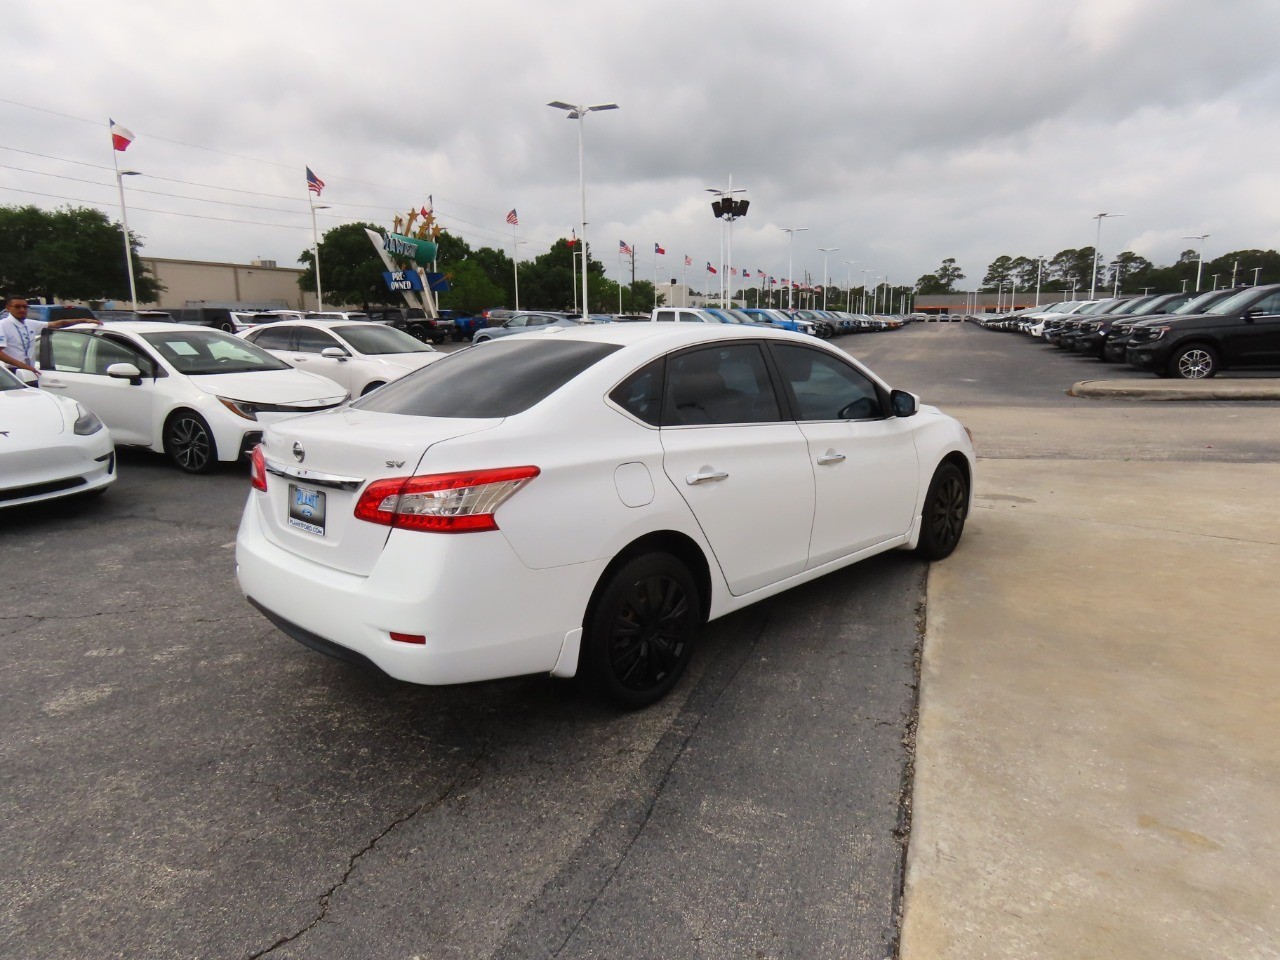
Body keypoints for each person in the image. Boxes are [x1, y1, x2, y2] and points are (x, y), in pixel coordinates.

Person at [0, 296, 101, 380]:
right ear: (8, 308)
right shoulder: (3, 325)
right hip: (11, 373)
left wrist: (84, 320)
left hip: (29, 371)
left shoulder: (29, 324)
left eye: (25, 307)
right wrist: (22, 365)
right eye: (17, 307)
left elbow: (58, 324)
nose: (22, 310)